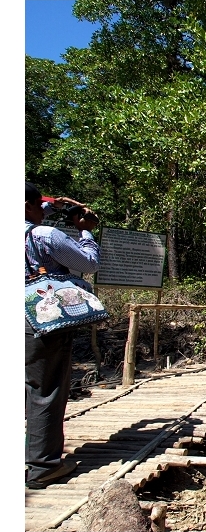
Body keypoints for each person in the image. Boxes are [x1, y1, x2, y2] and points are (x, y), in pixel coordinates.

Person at [25, 182, 101, 489]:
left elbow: (31, 210)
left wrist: (54, 204)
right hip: (39, 320)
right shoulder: (45, 236)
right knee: (46, 388)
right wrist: (86, 231)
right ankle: (43, 466)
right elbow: (89, 263)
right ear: (29, 206)